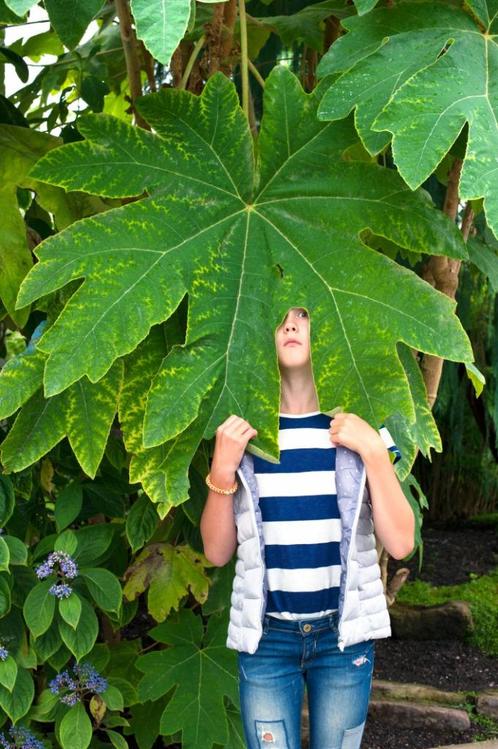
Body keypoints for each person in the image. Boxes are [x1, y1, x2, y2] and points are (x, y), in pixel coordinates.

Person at [200, 306, 415, 749]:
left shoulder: (357, 429)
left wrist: (375, 453)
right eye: (280, 318)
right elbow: (217, 553)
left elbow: (401, 541)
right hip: (266, 642)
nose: (292, 325)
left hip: (343, 639)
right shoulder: (245, 435)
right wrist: (222, 472)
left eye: (304, 315)